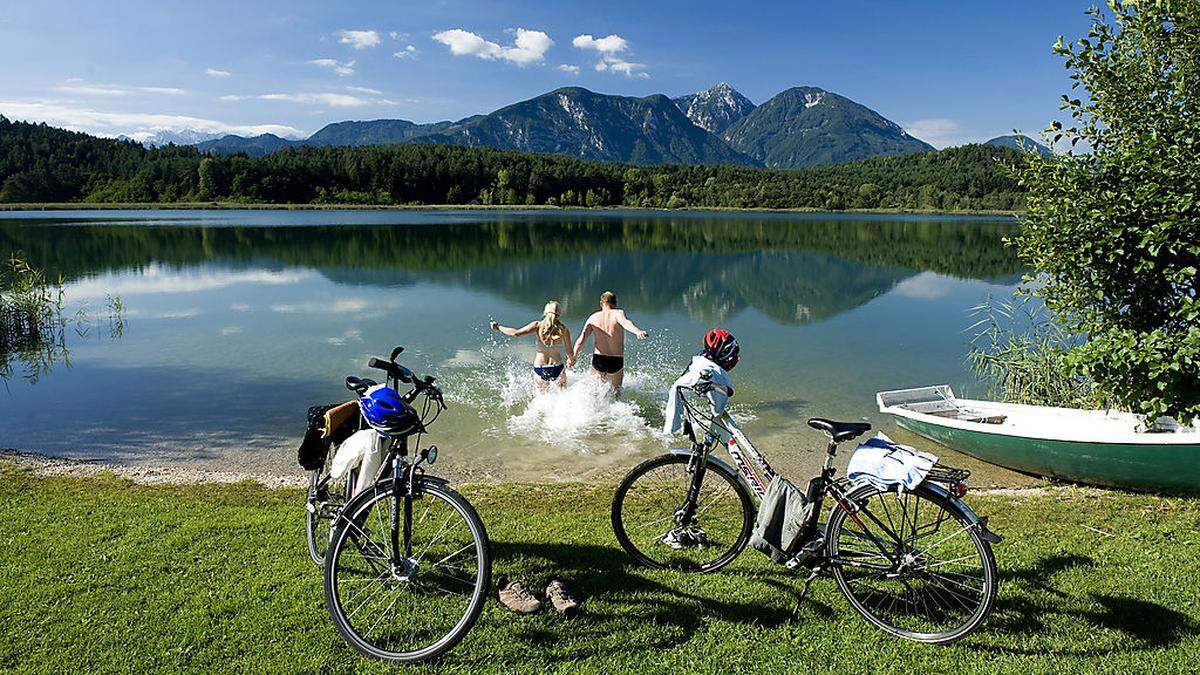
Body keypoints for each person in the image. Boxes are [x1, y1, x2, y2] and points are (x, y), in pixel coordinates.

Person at [489, 300, 576, 389]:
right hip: (557, 367)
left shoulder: (537, 325)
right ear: (559, 313)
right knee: (563, 397)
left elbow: (516, 333)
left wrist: (498, 327)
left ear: (545, 312)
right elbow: (569, 351)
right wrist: (571, 360)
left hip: (540, 367)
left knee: (541, 399)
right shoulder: (564, 329)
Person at [572, 290, 648, 391]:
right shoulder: (618, 313)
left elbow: (581, 339)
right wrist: (637, 331)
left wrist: (573, 356)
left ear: (601, 303)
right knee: (616, 393)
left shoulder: (593, 317)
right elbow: (626, 323)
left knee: (595, 391)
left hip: (598, 359)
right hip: (615, 360)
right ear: (615, 303)